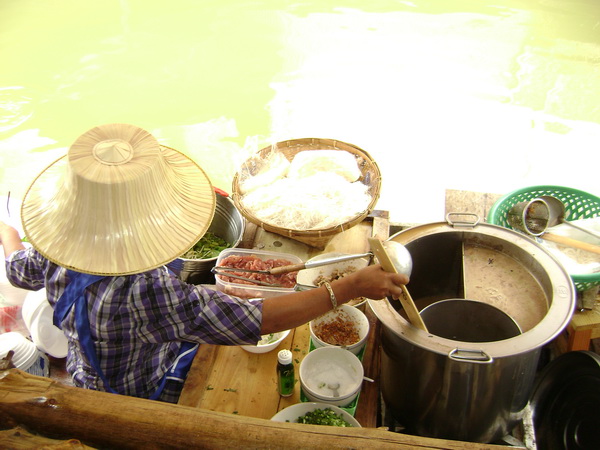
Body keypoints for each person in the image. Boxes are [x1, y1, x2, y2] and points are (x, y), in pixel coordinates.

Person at [0, 124, 407, 403]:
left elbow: (17, 266)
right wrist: (349, 288)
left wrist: (5, 230)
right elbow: (255, 321)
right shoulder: (145, 293)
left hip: (82, 370)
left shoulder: (54, 251)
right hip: (139, 391)